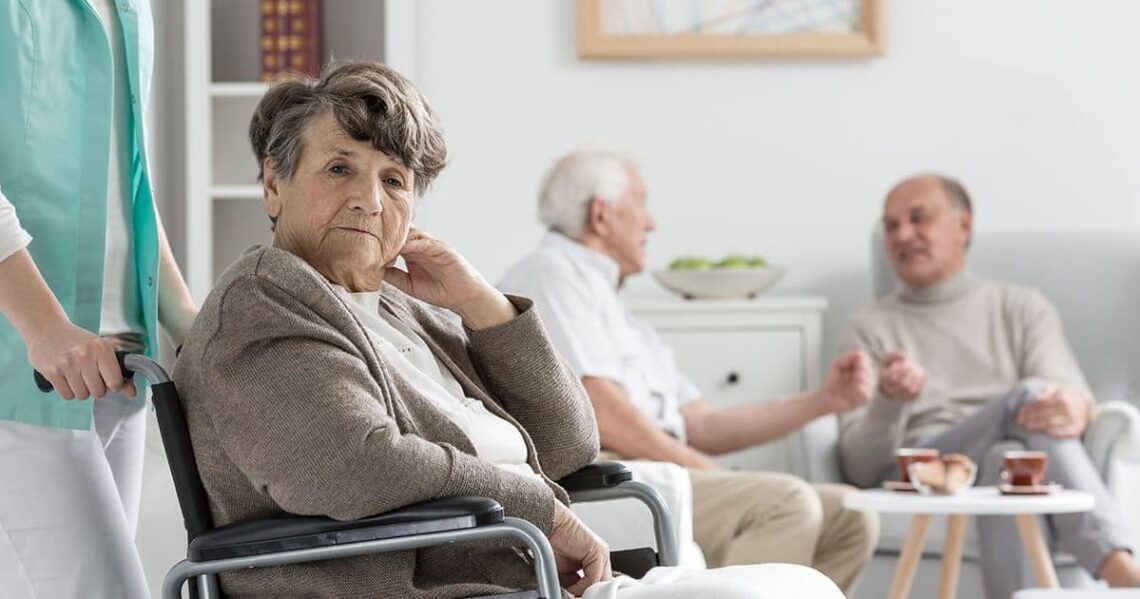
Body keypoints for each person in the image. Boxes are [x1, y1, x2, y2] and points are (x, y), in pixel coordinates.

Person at [173, 60, 845, 598]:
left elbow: (568, 443)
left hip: (522, 577)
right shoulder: (265, 304)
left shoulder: (409, 310)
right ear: (273, 184)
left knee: (801, 583)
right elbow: (354, 465)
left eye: (396, 180)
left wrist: (485, 306)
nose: (369, 200)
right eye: (339, 167)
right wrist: (541, 508)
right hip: (416, 586)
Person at [497, 149, 879, 596]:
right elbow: (600, 407)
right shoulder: (552, 275)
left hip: (658, 470)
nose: (651, 223)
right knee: (787, 504)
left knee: (851, 516)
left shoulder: (616, 308)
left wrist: (824, 401)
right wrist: (705, 470)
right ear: (601, 216)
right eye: (641, 205)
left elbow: (700, 423)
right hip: (610, 477)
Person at [839, 173, 1140, 597]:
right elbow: (860, 467)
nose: (902, 234)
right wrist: (890, 402)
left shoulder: (1019, 308)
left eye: (918, 218)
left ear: (963, 226)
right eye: (891, 225)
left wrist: (1077, 408)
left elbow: (1069, 397)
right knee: (1026, 396)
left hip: (1001, 462)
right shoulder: (868, 327)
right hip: (922, 467)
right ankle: (1119, 566)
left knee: (1010, 457)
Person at [0, 2, 198, 597]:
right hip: (22, 371)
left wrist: (182, 315)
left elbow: (128, 179)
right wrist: (45, 327)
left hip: (117, 370)